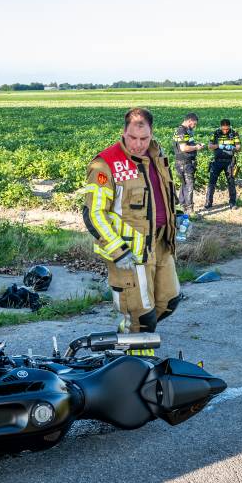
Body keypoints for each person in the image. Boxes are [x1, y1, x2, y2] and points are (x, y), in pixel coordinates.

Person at [79, 108, 180, 349]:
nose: (137, 144)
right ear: (124, 132)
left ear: (151, 134)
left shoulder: (157, 155)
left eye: (144, 138)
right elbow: (93, 214)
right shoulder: (105, 164)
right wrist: (118, 251)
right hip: (129, 253)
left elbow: (162, 197)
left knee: (169, 302)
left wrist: (178, 218)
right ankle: (132, 358)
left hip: (160, 244)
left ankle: (127, 339)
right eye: (132, 138)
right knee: (140, 317)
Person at [204, 118, 241, 209]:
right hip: (217, 161)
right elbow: (210, 146)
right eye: (223, 129)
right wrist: (219, 146)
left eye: (227, 129)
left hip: (229, 161)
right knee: (212, 182)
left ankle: (232, 203)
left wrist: (232, 148)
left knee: (231, 182)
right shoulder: (216, 133)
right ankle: (208, 203)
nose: (225, 131)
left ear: (230, 127)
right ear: (220, 127)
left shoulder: (234, 133)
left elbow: (239, 147)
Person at [171, 113, 202, 214]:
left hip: (182, 162)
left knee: (184, 185)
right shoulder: (182, 131)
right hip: (185, 163)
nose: (194, 126)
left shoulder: (185, 131)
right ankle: (189, 210)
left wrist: (196, 145)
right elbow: (184, 148)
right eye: (194, 124)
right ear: (189, 121)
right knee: (189, 186)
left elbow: (187, 144)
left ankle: (182, 207)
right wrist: (196, 147)